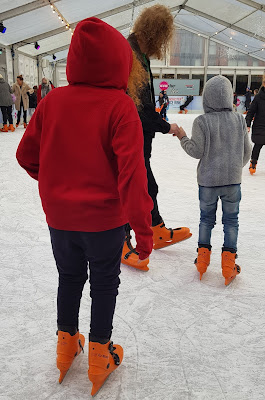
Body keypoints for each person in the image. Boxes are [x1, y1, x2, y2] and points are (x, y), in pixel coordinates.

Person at [16, 18, 153, 396]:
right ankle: (98, 353)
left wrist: (57, 186)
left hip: (60, 220)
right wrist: (143, 232)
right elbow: (132, 177)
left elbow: (26, 156)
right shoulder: (121, 106)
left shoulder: (52, 101)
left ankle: (65, 347)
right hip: (105, 222)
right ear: (120, 63)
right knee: (105, 282)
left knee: (69, 278)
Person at [124, 4, 191, 270]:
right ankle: (121, 240)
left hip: (140, 137)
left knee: (146, 186)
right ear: (155, 34)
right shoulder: (130, 56)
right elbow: (138, 108)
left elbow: (145, 105)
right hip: (129, 135)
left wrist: (159, 125)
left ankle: (156, 229)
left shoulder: (140, 54)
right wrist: (167, 126)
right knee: (130, 189)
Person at [174, 76, 251, 285]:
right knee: (231, 221)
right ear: (229, 96)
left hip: (207, 182)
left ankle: (202, 261)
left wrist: (182, 136)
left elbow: (196, 151)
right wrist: (235, 168)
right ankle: (228, 265)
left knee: (206, 220)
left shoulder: (202, 121)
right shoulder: (239, 120)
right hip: (232, 182)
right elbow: (247, 151)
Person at [246, 77, 265, 174]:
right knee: (258, 144)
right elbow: (251, 111)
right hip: (260, 125)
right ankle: (253, 163)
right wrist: (248, 124)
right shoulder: (258, 97)